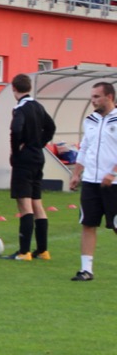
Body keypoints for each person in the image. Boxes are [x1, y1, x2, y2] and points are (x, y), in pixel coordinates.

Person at [67, 82, 117, 281]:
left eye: (97, 96)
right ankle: (86, 270)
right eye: (92, 97)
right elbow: (85, 147)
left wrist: (113, 173)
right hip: (90, 181)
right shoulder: (90, 120)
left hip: (113, 183)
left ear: (109, 97)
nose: (93, 100)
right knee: (88, 224)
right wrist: (76, 174)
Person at [7, 73, 56, 260]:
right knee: (37, 203)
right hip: (38, 157)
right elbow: (51, 127)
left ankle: (24, 251)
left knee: (24, 204)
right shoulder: (38, 106)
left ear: (14, 89)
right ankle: (43, 250)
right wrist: (39, 143)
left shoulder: (20, 108)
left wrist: (16, 152)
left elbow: (16, 129)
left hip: (25, 159)